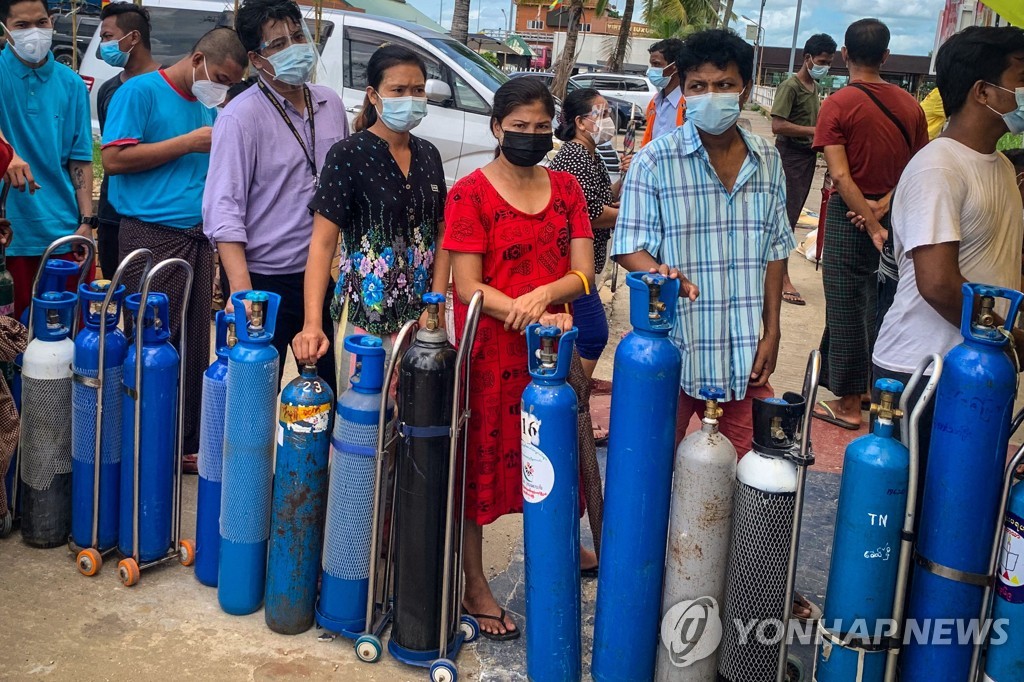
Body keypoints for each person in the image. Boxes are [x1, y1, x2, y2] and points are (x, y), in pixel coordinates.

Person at [612, 29, 817, 619]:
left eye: (723, 85)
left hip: (743, 354)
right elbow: (629, 245)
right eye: (697, 86)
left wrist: (773, 327)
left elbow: (779, 247)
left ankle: (752, 592)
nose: (710, 96)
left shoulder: (767, 161)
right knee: (667, 485)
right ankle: (666, 597)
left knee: (759, 487)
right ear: (683, 90)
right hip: (677, 354)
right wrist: (661, 272)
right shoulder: (657, 159)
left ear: (744, 88)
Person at [444, 77, 594, 639]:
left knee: (553, 465)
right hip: (489, 355)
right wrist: (532, 308)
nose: (530, 137)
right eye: (519, 127)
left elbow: (583, 272)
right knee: (479, 472)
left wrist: (549, 297)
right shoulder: (470, 193)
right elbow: (467, 287)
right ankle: (474, 584)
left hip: (553, 355)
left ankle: (554, 561)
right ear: (496, 128)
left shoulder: (567, 189)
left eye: (539, 127)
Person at [872, 26, 1024, 471]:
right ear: (983, 91)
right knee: (916, 520)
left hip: (978, 370)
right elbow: (938, 284)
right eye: (1021, 76)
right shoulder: (938, 167)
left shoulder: (998, 166)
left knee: (959, 519)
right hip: (924, 372)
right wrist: (1011, 339)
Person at [102, 27, 247, 467]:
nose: (221, 89)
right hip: (150, 235)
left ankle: (184, 441)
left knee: (193, 345)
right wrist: (185, 144)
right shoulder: (141, 93)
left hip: (197, 239)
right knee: (152, 337)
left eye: (229, 84)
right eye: (219, 77)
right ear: (197, 57)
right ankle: (145, 435)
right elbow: (112, 160)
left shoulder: (211, 107)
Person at [204, 0, 348, 394]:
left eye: (298, 37)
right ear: (255, 58)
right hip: (263, 280)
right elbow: (223, 211)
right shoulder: (240, 117)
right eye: (278, 43)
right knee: (255, 401)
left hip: (321, 278)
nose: (295, 48)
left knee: (323, 398)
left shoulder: (330, 105)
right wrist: (242, 294)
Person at [291, 45, 449, 378]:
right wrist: (311, 323)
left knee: (415, 420)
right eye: (398, 90)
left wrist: (434, 307)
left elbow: (441, 233)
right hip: (364, 318)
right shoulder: (348, 155)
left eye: (418, 89)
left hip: (420, 320)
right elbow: (321, 246)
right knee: (361, 421)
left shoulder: (430, 154)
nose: (410, 98)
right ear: (374, 96)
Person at [811, 18, 927, 431]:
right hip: (897, 216)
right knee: (879, 302)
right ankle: (864, 387)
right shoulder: (910, 106)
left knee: (845, 305)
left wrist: (867, 215)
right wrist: (881, 211)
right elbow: (917, 168)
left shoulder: (836, 104)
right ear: (886, 56)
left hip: (848, 215)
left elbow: (840, 176)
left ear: (844, 54)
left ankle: (847, 405)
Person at [0, 0, 95, 317]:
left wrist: (86, 222)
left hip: (63, 236)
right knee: (10, 346)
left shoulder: (71, 84)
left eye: (41, 22)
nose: (35, 33)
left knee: (65, 343)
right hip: (9, 237)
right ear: (5, 29)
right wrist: (8, 153)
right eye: (22, 26)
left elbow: (80, 159)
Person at [549, 87, 629, 440]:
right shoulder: (576, 157)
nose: (607, 120)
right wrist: (633, 216)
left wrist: (625, 181)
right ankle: (572, 407)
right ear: (581, 122)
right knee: (593, 333)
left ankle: (570, 404)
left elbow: (600, 198)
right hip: (570, 265)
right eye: (601, 113)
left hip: (580, 264)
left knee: (581, 335)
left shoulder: (590, 154)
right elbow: (593, 214)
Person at [770, 32, 837, 306]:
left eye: (829, 62)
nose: (825, 66)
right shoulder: (791, 86)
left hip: (806, 159)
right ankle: (781, 278)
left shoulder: (813, 87)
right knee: (784, 219)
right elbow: (777, 125)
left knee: (792, 215)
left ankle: (775, 273)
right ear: (807, 58)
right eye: (821, 61)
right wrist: (814, 131)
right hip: (789, 157)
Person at [94, 2, 159, 279]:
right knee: (113, 296)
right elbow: (111, 153)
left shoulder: (168, 85)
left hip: (155, 216)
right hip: (112, 215)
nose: (103, 45)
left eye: (108, 37)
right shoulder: (108, 90)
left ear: (133, 37)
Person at [641, 38, 685, 147]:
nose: (651, 70)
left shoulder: (690, 104)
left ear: (675, 67)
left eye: (656, 64)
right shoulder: (654, 103)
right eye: (652, 65)